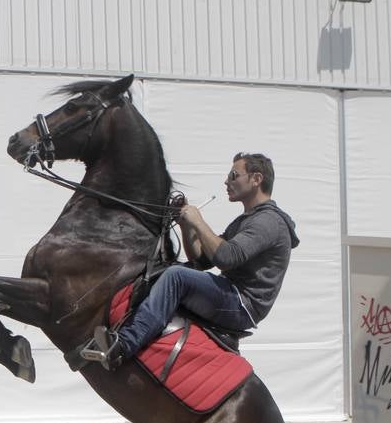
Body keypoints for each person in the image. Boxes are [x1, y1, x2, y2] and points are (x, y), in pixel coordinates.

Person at [83, 152, 299, 369]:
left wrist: (198, 220)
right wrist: (187, 225)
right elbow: (202, 260)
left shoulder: (268, 221)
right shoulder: (248, 219)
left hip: (242, 305)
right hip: (232, 295)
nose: (227, 181)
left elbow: (225, 258)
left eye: (234, 175)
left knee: (176, 276)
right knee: (172, 270)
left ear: (256, 179)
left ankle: (123, 346)